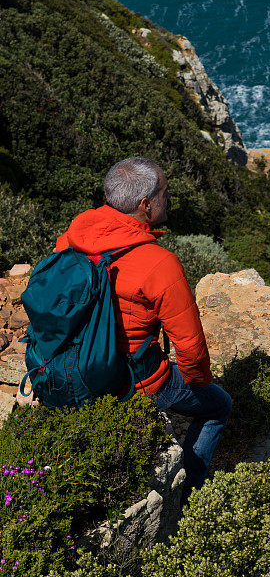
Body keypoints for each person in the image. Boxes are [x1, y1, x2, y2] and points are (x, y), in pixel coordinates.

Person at [48, 156, 231, 505]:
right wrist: (196, 380)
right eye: (164, 193)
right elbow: (190, 348)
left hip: (75, 366)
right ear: (146, 205)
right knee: (219, 406)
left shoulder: (73, 235)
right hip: (136, 380)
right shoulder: (159, 264)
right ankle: (192, 496)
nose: (169, 198)